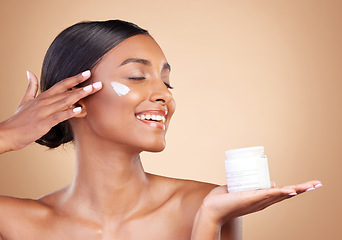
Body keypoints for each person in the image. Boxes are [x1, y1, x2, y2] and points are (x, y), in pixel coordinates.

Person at [0, 20, 322, 240]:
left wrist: (209, 220)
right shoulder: (16, 222)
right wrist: (9, 135)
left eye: (167, 82)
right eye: (137, 76)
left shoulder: (206, 204)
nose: (164, 94)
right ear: (73, 96)